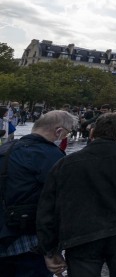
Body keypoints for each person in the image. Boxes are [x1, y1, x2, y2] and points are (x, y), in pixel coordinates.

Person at [37, 113, 116, 277]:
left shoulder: (65, 163)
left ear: (93, 132)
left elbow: (47, 207)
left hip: (80, 236)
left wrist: (49, 249)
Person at [0, 110, 74, 276]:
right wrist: (52, 249)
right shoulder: (52, 156)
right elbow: (59, 204)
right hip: (29, 240)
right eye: (68, 133)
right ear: (59, 131)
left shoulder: (6, 149)